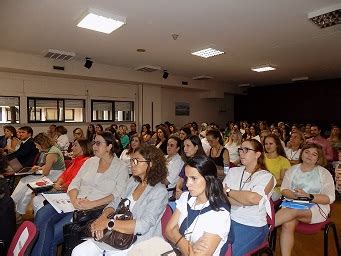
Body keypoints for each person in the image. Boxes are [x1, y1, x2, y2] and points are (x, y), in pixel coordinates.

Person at [31, 132, 129, 256]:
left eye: (98, 143)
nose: (94, 146)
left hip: (91, 208)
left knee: (50, 234)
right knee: (42, 214)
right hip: (71, 201)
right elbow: (74, 184)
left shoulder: (121, 167)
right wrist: (73, 199)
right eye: (94, 143)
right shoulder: (90, 162)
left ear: (109, 146)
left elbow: (117, 194)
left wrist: (91, 204)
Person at [72, 144, 168, 255]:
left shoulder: (159, 192)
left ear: (151, 163)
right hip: (115, 234)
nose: (132, 165)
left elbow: (143, 226)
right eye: (131, 161)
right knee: (77, 252)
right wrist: (102, 219)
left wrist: (108, 223)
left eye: (136, 161)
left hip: (136, 240)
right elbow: (115, 202)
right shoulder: (133, 181)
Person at [275, 143, 335, 256]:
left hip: (316, 206)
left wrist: (310, 197)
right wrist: (294, 196)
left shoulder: (324, 173)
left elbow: (330, 198)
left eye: (314, 154)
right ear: (302, 153)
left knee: (293, 210)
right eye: (307, 152)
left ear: (318, 158)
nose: (309, 155)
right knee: (288, 223)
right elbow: (284, 189)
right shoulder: (292, 170)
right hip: (293, 202)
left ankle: (264, 227)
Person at [165, 155, 231, 256]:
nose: (187, 184)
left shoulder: (219, 213)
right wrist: (189, 246)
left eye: (194, 178)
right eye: (187, 178)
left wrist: (176, 234)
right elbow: (168, 230)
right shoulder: (186, 197)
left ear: (209, 179)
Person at [223, 139, 276, 256]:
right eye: (241, 149)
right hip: (228, 219)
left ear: (257, 154)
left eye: (246, 150)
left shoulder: (266, 176)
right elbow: (223, 198)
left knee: (228, 253)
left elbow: (253, 199)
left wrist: (228, 190)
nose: (241, 153)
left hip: (253, 225)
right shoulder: (233, 171)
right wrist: (242, 199)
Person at [11, 132, 65, 218]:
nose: (36, 147)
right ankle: (15, 206)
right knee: (24, 181)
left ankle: (15, 206)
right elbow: (49, 165)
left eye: (37, 145)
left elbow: (46, 172)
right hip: (54, 172)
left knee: (28, 185)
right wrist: (39, 168)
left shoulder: (51, 153)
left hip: (55, 175)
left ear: (42, 144)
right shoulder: (52, 149)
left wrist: (36, 172)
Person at [32, 138, 93, 214]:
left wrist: (60, 187)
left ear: (83, 147)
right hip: (63, 189)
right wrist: (58, 184)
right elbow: (64, 174)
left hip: (70, 193)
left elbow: (74, 181)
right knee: (37, 198)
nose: (72, 147)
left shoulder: (86, 162)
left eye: (75, 145)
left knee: (38, 201)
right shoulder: (76, 160)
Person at [175, 135, 206, 200]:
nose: (185, 149)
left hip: (195, 197)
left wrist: (184, 195)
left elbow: (203, 188)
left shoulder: (203, 164)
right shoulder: (187, 163)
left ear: (196, 147)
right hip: (183, 196)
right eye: (184, 146)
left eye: (188, 146)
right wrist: (178, 189)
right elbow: (181, 178)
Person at [264, 134, 291, 200]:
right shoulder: (261, 157)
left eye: (271, 143)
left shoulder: (283, 161)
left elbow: (283, 181)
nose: (268, 146)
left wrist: (267, 183)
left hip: (275, 190)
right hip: (260, 186)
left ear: (277, 145)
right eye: (266, 144)